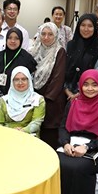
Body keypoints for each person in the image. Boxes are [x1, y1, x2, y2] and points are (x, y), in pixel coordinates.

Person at [0, 27, 37, 121]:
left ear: (21, 40)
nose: (13, 41)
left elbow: (30, 80)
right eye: (10, 38)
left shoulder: (27, 59)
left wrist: (14, 97)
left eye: (16, 38)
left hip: (20, 103)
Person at [31, 21, 68, 149]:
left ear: (56, 35)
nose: (46, 37)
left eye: (50, 34)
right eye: (43, 34)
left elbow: (58, 78)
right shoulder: (35, 50)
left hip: (52, 101)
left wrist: (44, 98)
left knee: (49, 140)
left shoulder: (59, 51)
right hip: (35, 99)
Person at [0, 65, 45, 135]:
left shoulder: (37, 100)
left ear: (29, 80)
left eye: (23, 79)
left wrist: (22, 131)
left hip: (29, 137)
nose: (20, 83)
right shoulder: (4, 100)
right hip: (7, 135)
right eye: (16, 79)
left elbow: (36, 123)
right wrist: (11, 131)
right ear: (12, 81)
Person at [64, 14, 98, 100]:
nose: (86, 29)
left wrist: (80, 93)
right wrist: (67, 90)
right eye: (83, 25)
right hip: (67, 94)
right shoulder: (71, 44)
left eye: (90, 26)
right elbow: (64, 69)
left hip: (90, 93)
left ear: (95, 28)